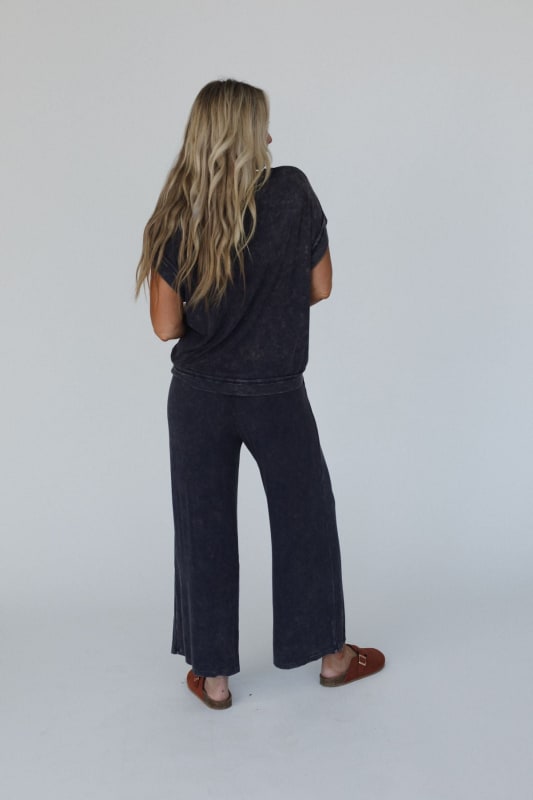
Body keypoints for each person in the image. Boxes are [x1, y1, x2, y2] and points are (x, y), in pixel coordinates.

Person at [135, 79, 385, 710]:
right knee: (306, 519)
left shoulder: (177, 212)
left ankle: (214, 678)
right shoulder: (292, 191)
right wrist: (268, 309)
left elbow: (165, 326)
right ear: (246, 133)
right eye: (262, 125)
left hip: (198, 396)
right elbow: (321, 286)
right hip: (276, 392)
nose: (270, 136)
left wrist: (221, 313)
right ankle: (332, 658)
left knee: (205, 527)